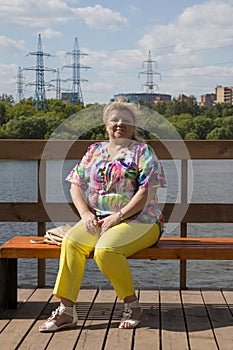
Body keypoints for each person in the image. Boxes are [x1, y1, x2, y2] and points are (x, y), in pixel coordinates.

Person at [39, 100, 167, 332]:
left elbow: (147, 192)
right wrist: (85, 213)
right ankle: (66, 310)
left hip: (141, 219)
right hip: (98, 217)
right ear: (106, 124)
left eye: (125, 120)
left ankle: (132, 305)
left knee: (106, 250)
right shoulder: (95, 150)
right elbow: (75, 185)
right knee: (72, 242)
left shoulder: (142, 151)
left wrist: (118, 216)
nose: (120, 124)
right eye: (114, 119)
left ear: (134, 126)